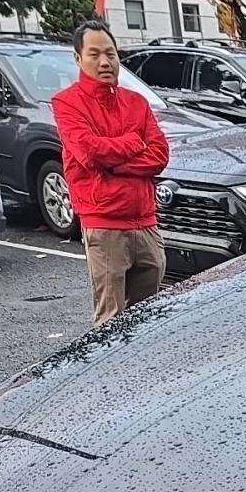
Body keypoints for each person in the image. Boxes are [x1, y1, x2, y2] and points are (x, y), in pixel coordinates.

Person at [51, 20, 169, 325]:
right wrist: (132, 142)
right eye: (94, 55)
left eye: (110, 54)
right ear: (78, 59)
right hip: (104, 224)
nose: (105, 62)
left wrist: (112, 161)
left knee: (150, 315)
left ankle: (147, 371)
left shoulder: (136, 102)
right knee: (110, 319)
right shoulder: (67, 103)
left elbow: (159, 156)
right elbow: (89, 153)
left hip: (146, 221)